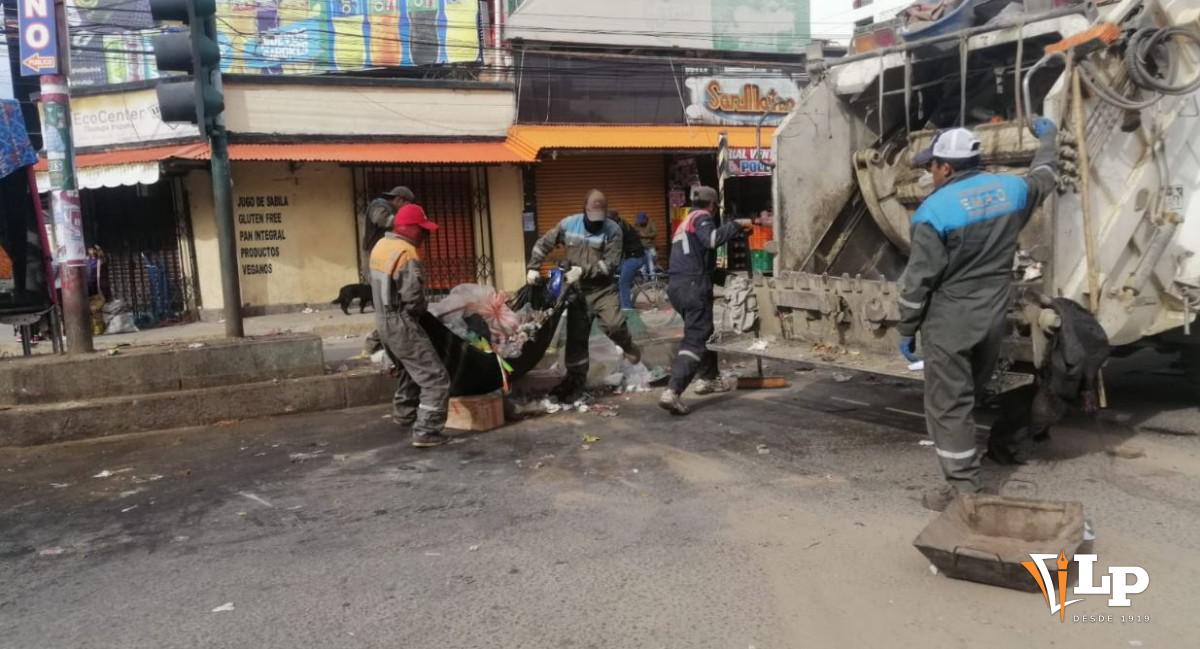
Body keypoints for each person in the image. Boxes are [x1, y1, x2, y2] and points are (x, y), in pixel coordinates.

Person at [898, 119, 1060, 511]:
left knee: (947, 405)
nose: (929, 173)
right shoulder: (1012, 191)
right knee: (966, 397)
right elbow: (1045, 174)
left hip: (951, 320)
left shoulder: (933, 211)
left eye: (931, 166)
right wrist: (1049, 139)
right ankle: (966, 477)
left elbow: (919, 281)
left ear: (947, 168)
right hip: (992, 315)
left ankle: (965, 491)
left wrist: (907, 328)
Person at [526, 189, 642, 403]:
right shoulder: (569, 224)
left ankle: (628, 346)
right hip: (577, 291)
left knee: (614, 325)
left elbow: (611, 264)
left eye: (599, 219)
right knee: (576, 340)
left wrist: (583, 270)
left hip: (602, 290)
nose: (596, 224)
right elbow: (545, 243)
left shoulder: (613, 230)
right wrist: (533, 267)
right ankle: (575, 382)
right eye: (592, 219)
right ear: (584, 211)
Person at [659, 186, 751, 415]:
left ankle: (708, 378)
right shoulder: (701, 218)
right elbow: (711, 240)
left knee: (704, 331)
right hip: (692, 286)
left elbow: (699, 259)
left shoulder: (686, 220)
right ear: (712, 206)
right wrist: (737, 224)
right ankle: (673, 391)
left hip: (679, 286)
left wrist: (725, 278)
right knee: (695, 339)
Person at [368, 201, 452, 448]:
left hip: (383, 320)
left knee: (408, 369)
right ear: (409, 228)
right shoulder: (406, 252)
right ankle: (427, 430)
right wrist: (422, 316)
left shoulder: (381, 246)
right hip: (401, 321)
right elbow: (413, 299)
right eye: (422, 229)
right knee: (434, 377)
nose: (425, 235)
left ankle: (404, 415)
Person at [362, 186, 416, 356]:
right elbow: (381, 220)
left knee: (390, 304)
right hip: (377, 260)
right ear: (399, 199)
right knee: (386, 304)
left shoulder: (387, 207)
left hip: (384, 258)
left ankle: (378, 343)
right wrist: (407, 221)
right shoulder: (380, 205)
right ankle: (374, 343)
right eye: (406, 205)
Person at [610, 210, 646, 310]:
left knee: (623, 283)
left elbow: (617, 247)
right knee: (613, 271)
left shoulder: (620, 228)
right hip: (631, 257)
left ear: (614, 220)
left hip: (635, 258)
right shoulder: (621, 223)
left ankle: (627, 308)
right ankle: (631, 281)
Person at [634, 212, 658, 280]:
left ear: (646, 219)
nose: (641, 223)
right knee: (642, 265)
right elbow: (634, 233)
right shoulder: (636, 225)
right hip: (641, 248)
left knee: (651, 264)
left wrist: (644, 235)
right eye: (640, 221)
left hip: (650, 247)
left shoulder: (651, 224)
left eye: (642, 221)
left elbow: (655, 233)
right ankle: (645, 279)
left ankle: (653, 279)